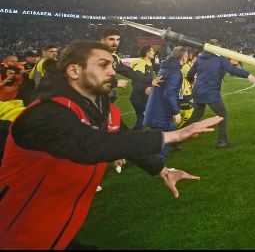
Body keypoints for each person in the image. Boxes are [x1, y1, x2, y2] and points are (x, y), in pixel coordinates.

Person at [0, 41, 222, 250]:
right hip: (14, 237)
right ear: (74, 71)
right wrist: (172, 136)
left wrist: (162, 170)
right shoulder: (46, 113)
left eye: (112, 66)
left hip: (57, 234)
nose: (112, 72)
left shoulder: (106, 112)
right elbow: (87, 145)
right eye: (103, 65)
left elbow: (123, 140)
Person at [185, 39, 255, 148]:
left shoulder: (200, 58)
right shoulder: (220, 58)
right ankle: (222, 141)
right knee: (222, 114)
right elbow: (232, 69)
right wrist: (247, 75)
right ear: (215, 48)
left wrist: (192, 82)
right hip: (211, 92)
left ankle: (177, 136)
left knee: (197, 115)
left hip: (198, 91)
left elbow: (190, 74)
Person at [144, 47, 189, 161]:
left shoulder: (165, 68)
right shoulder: (175, 72)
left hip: (157, 110)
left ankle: (170, 147)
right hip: (161, 113)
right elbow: (169, 93)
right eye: (187, 56)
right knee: (162, 145)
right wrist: (176, 112)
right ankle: (159, 169)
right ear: (183, 57)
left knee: (169, 132)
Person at [100, 28, 157, 103]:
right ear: (103, 40)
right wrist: (115, 83)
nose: (115, 43)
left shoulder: (114, 57)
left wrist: (150, 80)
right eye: (111, 39)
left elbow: (129, 72)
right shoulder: (95, 56)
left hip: (104, 96)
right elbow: (90, 79)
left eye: (117, 40)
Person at [129, 45, 156, 130]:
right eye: (152, 51)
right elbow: (136, 81)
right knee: (143, 120)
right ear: (147, 53)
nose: (154, 53)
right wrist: (144, 88)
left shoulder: (148, 63)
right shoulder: (140, 63)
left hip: (144, 97)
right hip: (139, 98)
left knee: (147, 119)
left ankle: (156, 136)